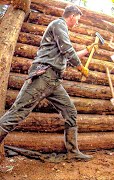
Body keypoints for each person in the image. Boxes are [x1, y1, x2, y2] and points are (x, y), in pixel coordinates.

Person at [0, 5, 98, 161]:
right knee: (17, 113)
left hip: (53, 82)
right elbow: (67, 48)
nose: (77, 23)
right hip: (43, 76)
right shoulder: (59, 24)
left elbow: (65, 54)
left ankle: (73, 152)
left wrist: (87, 50)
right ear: (71, 16)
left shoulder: (60, 32)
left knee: (70, 112)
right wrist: (80, 67)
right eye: (77, 20)